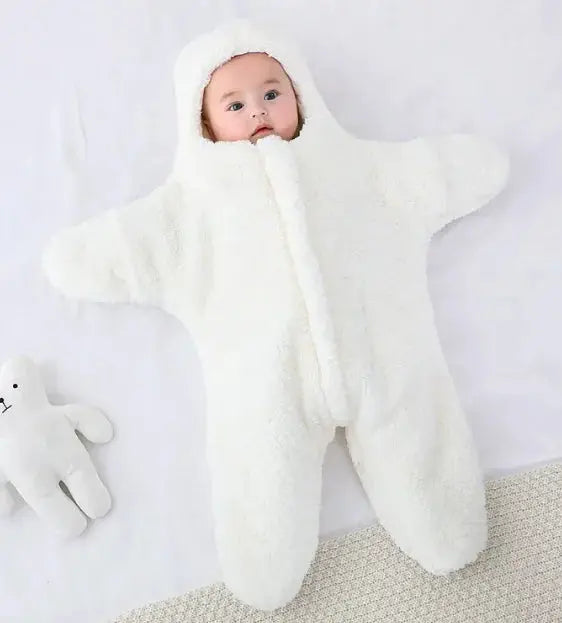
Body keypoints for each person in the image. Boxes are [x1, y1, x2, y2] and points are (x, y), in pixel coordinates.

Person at [43, 18, 509, 612]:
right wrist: (83, 256)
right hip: (266, 378)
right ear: (203, 123)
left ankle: (446, 526)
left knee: (419, 432)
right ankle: (262, 566)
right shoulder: (194, 208)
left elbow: (434, 174)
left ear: (301, 94)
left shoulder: (359, 170)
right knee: (260, 461)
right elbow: (132, 248)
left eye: (272, 92)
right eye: (234, 104)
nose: (258, 110)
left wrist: (465, 165)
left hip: (383, 354)